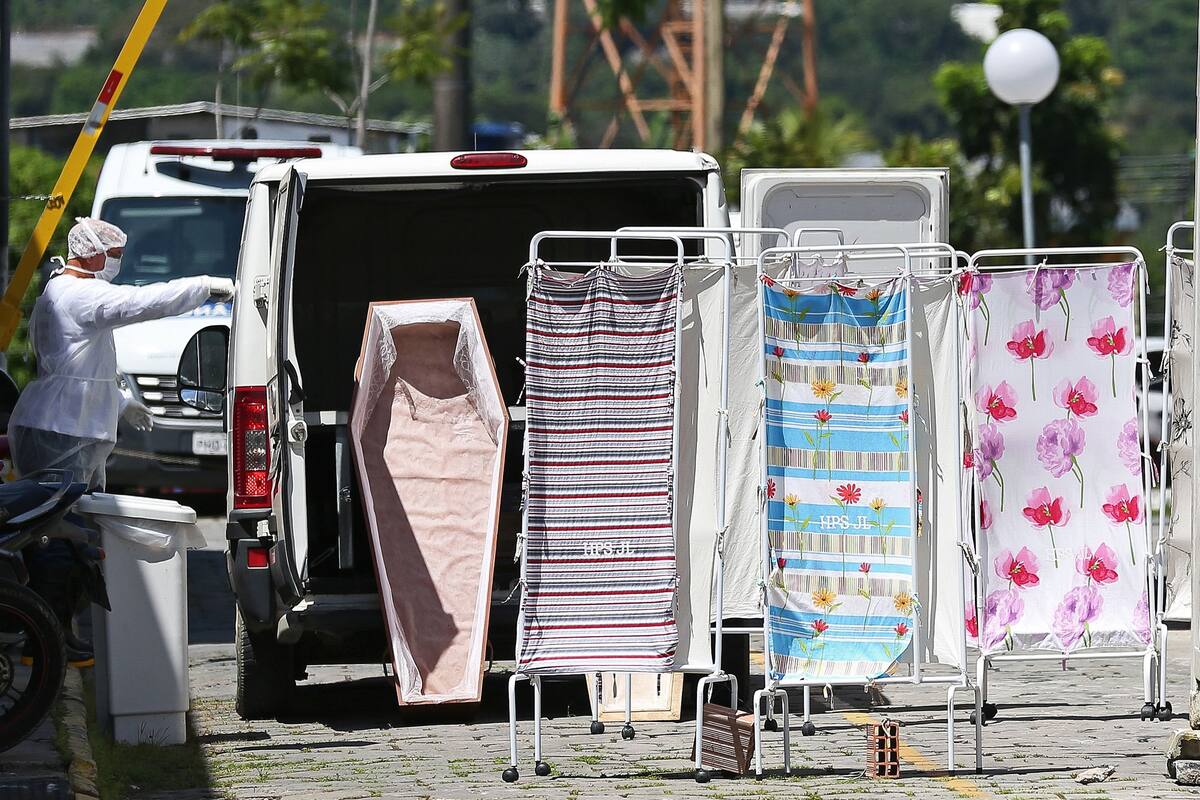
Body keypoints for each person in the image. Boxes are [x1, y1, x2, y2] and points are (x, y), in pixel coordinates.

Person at [7, 217, 234, 665]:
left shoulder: (63, 289)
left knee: (71, 531)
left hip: (66, 423)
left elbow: (81, 362)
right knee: (58, 534)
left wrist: (121, 399)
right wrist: (203, 286)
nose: (117, 261)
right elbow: (139, 302)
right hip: (63, 428)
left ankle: (56, 633)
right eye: (112, 253)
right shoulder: (80, 293)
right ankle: (44, 638)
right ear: (88, 253)